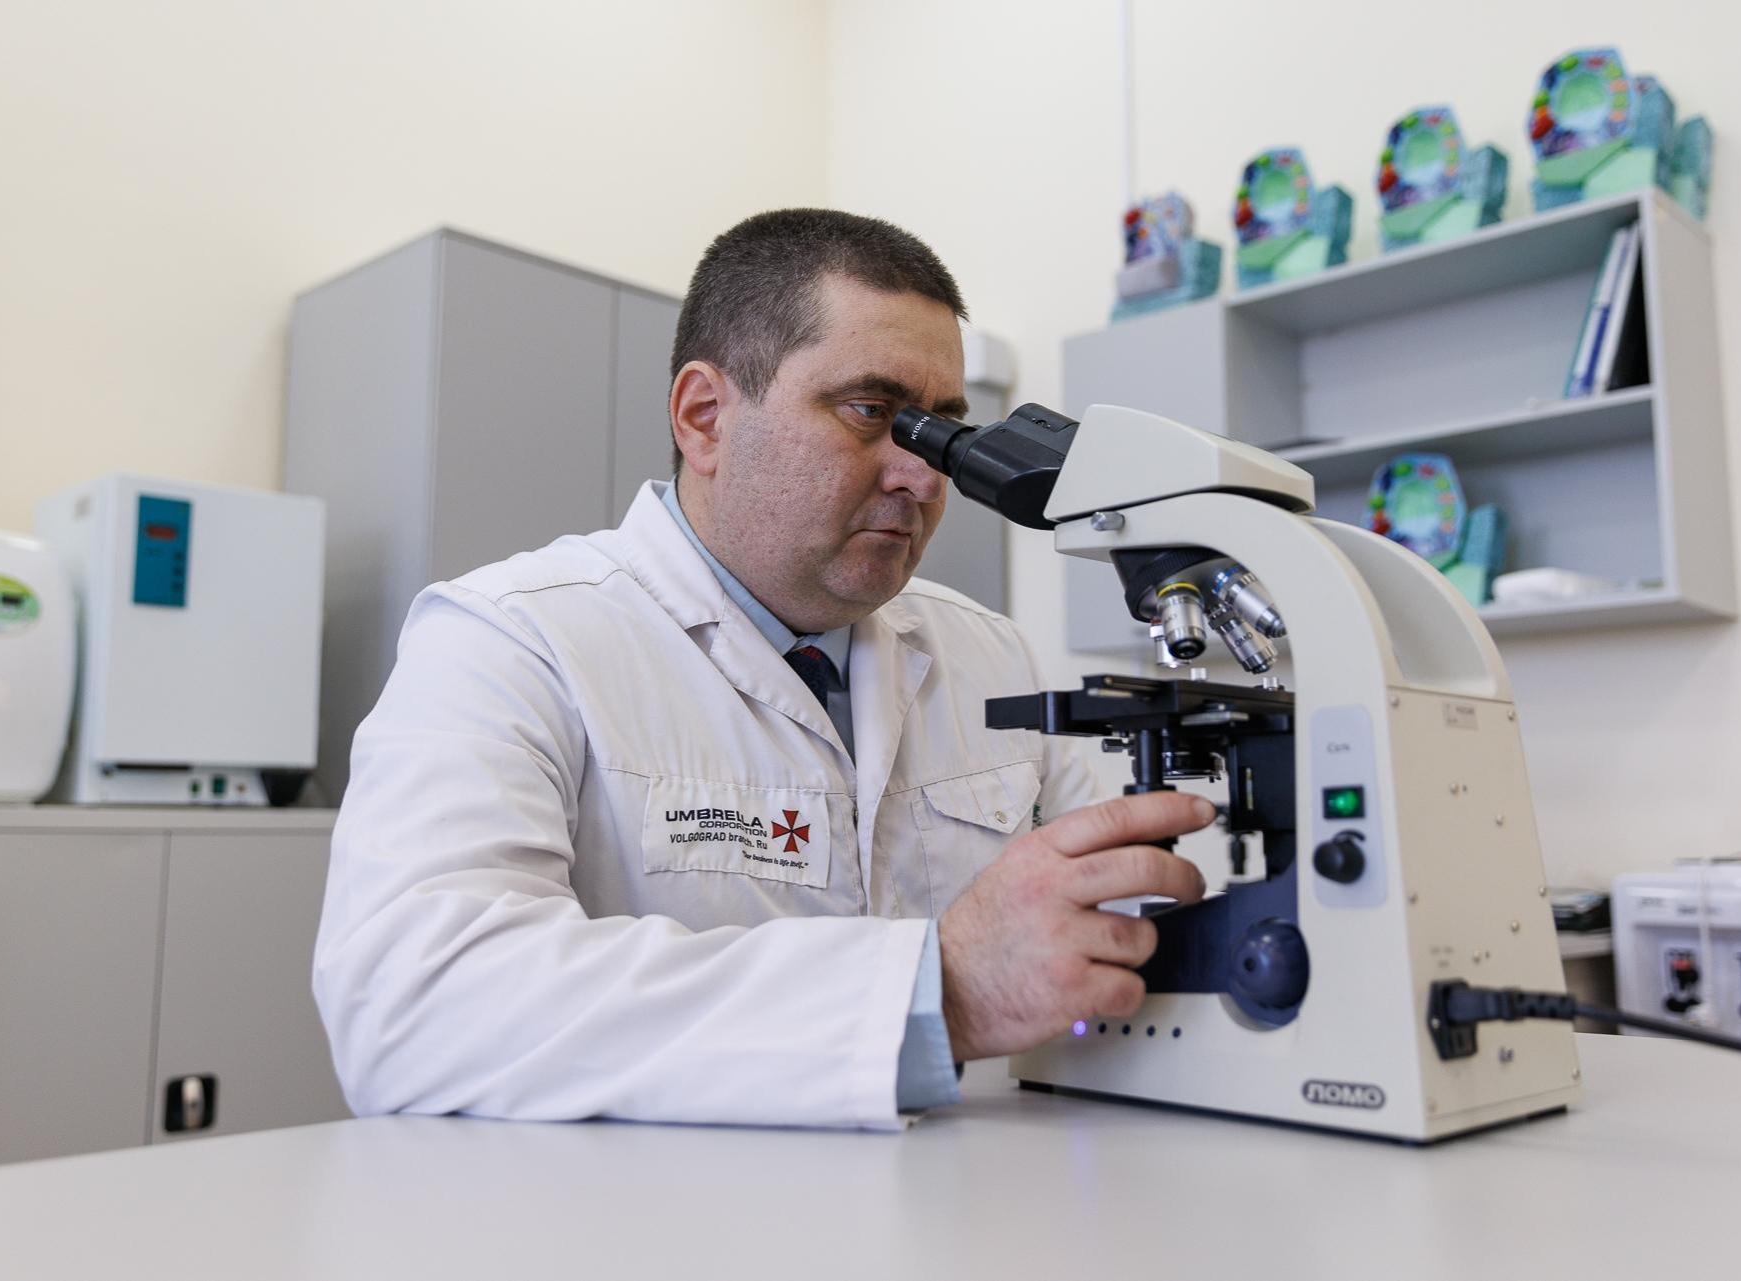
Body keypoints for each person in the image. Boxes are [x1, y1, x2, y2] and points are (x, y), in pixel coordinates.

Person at [312, 209, 1214, 1130]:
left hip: (964, 1195)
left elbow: (1112, 916)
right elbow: (413, 1005)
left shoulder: (990, 653)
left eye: (943, 429)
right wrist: (935, 989)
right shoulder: (510, 640)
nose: (924, 476)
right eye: (872, 413)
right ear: (704, 417)